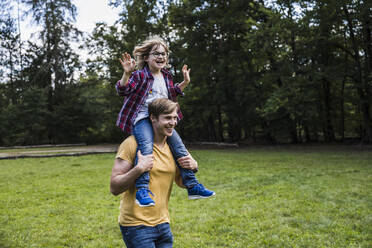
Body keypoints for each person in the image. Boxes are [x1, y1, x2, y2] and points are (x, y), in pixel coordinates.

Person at [115, 36, 214, 207]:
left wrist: (184, 82)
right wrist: (126, 74)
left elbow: (172, 91)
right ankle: (142, 190)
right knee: (146, 147)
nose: (161, 57)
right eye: (156, 54)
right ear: (146, 57)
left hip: (161, 118)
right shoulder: (139, 75)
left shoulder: (166, 75)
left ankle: (192, 186)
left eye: (163, 54)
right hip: (143, 118)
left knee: (180, 148)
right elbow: (123, 90)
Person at [110, 98, 202, 247]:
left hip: (163, 223)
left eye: (174, 117)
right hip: (136, 225)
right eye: (167, 118)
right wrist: (139, 168)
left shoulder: (173, 149)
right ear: (152, 118)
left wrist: (194, 167)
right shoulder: (131, 144)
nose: (173, 122)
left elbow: (182, 183)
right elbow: (114, 187)